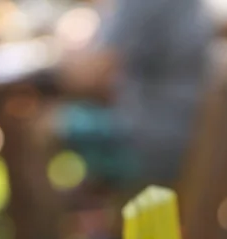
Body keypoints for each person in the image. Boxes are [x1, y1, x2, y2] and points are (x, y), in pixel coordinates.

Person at [51, 0, 214, 186]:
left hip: (152, 143)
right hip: (194, 137)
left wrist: (59, 65)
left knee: (40, 123)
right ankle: (89, 203)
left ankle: (47, 212)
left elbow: (94, 75)